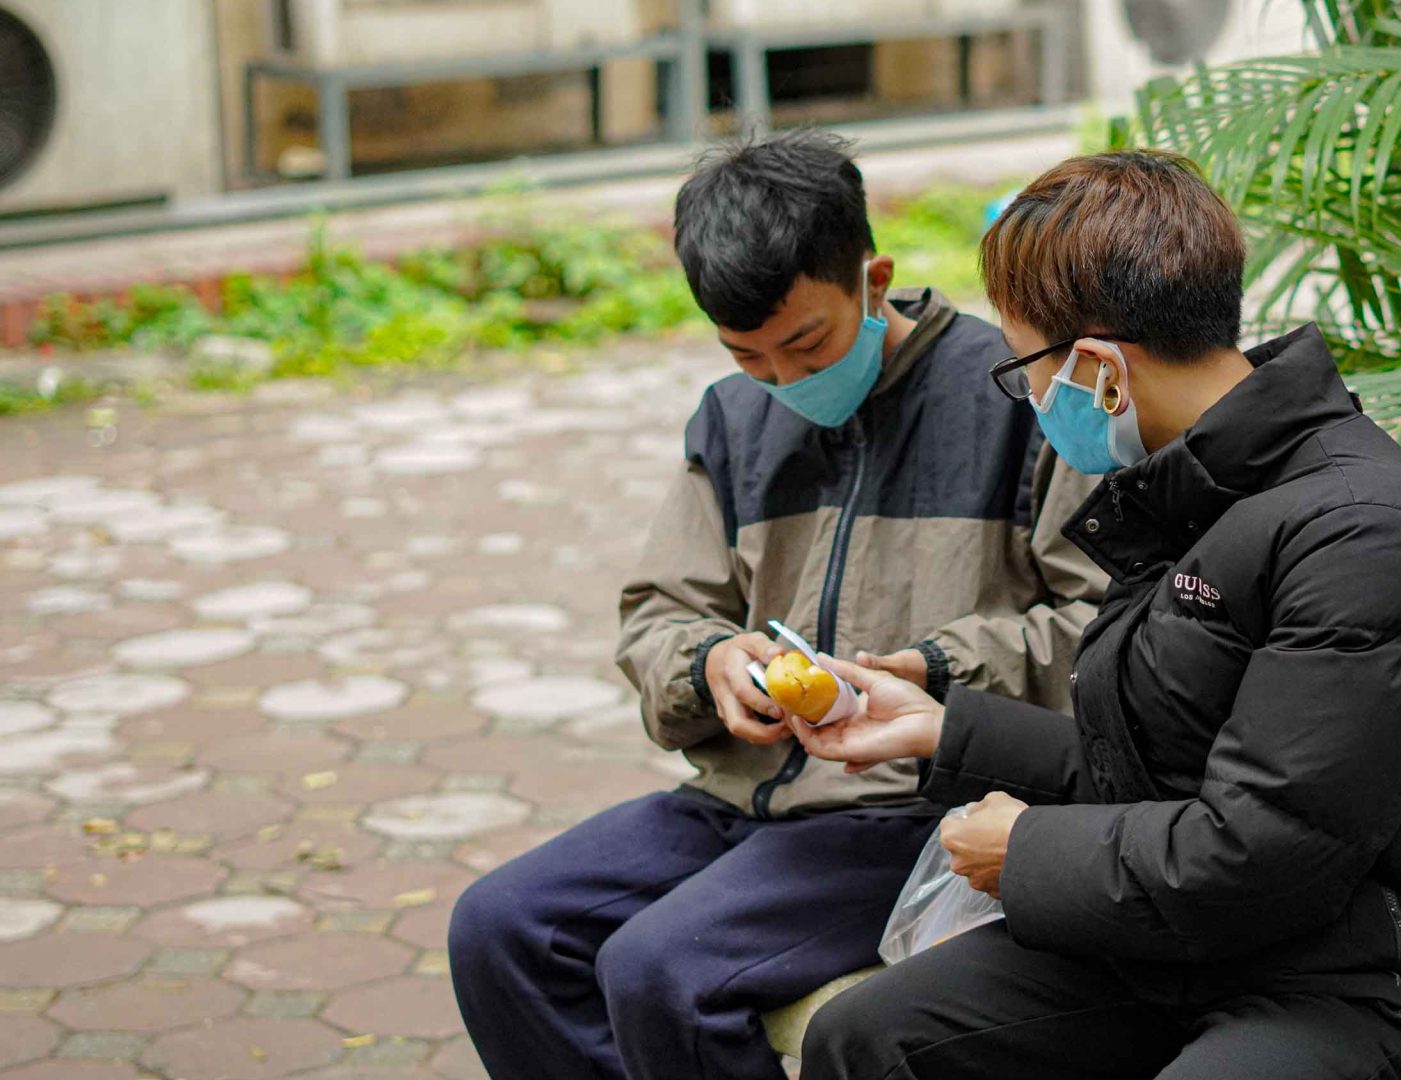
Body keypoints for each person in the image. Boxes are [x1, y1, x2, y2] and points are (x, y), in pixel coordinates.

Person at [789, 150, 1401, 1080]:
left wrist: (1024, 850)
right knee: (869, 1038)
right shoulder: (1195, 488)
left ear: (1101, 371)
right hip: (1189, 949)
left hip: (1368, 981)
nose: (1028, 398)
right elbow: (1167, 768)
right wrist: (948, 732)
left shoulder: (1366, 537)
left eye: (1022, 367)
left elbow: (1262, 853)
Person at [446, 131, 1106, 1080]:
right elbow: (662, 609)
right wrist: (709, 663)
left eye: (807, 344)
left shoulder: (1012, 398)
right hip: (739, 796)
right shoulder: (733, 417)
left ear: (872, 280)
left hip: (911, 805)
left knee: (665, 969)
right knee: (501, 927)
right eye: (749, 357)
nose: (787, 384)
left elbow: (1097, 624)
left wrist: (928, 669)